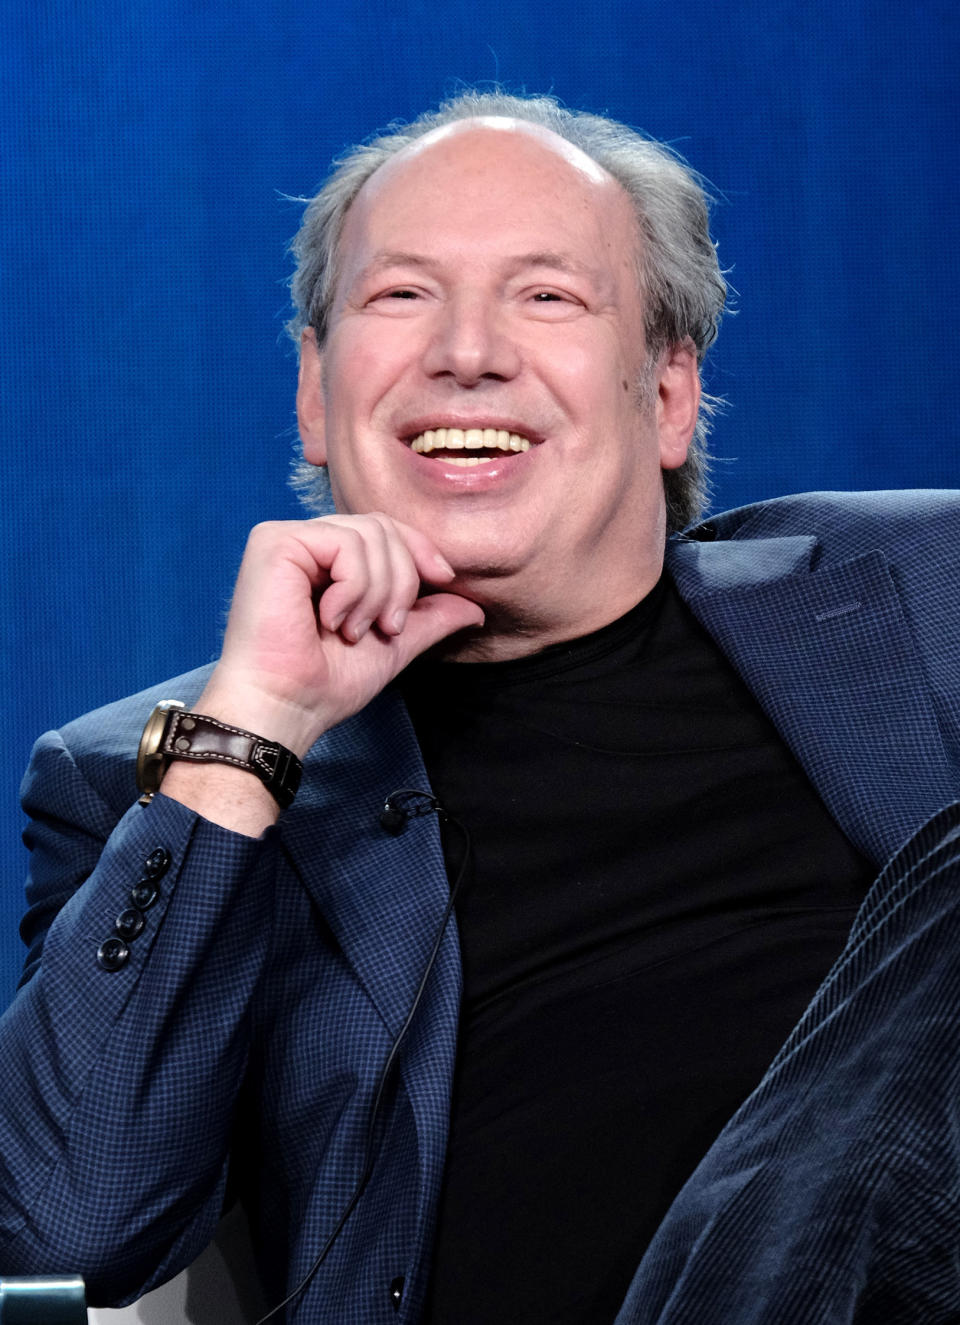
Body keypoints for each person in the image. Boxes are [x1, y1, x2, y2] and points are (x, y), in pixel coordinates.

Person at [2, 89, 960, 1324]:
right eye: (401, 296)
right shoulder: (154, 782)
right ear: (314, 388)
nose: (468, 350)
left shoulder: (922, 591)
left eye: (547, 296)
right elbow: (62, 1227)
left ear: (669, 393)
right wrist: (254, 733)